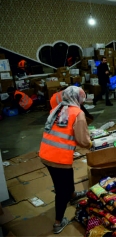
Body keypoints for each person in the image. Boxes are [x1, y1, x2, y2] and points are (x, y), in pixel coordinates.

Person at [38, 86, 91, 234]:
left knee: (66, 176)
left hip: (45, 153)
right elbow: (82, 140)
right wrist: (90, 143)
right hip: (59, 158)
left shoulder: (58, 108)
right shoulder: (78, 113)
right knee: (61, 191)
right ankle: (57, 222)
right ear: (78, 98)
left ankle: (72, 194)